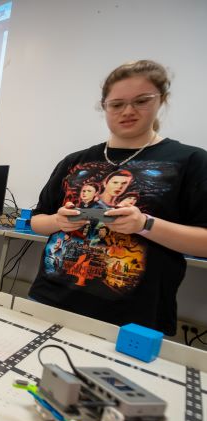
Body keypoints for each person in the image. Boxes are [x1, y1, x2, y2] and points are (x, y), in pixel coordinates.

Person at [29, 60, 207, 335]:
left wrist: (145, 225)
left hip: (134, 317)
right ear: (104, 106)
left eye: (141, 101)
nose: (128, 111)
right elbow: (37, 221)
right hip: (50, 301)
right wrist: (58, 222)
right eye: (117, 104)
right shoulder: (75, 161)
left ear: (162, 100)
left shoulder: (192, 161)